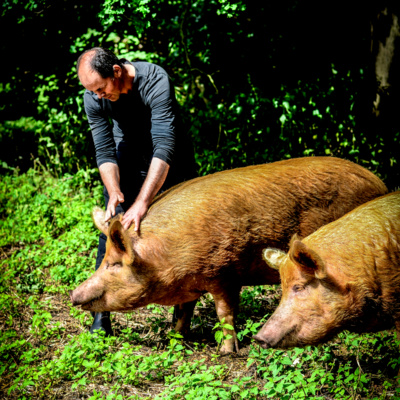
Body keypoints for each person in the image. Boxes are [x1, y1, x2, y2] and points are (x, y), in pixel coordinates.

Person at [76, 47, 197, 335]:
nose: (97, 96)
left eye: (101, 88)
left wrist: (143, 203)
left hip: (171, 161)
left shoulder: (155, 79)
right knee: (112, 229)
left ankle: (181, 321)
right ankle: (101, 317)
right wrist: (114, 190)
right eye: (91, 90)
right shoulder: (92, 96)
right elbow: (104, 150)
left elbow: (165, 146)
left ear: (116, 72)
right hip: (128, 158)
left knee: (184, 236)